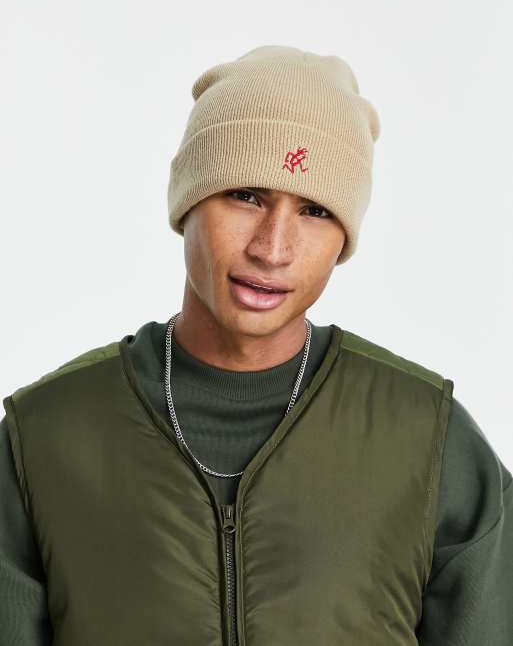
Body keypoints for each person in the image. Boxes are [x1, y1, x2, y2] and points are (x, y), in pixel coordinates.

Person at [1, 45, 511, 646]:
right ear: (187, 201)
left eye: (315, 210)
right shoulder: (45, 435)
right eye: (246, 196)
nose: (273, 248)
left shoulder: (428, 437)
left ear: (344, 239)